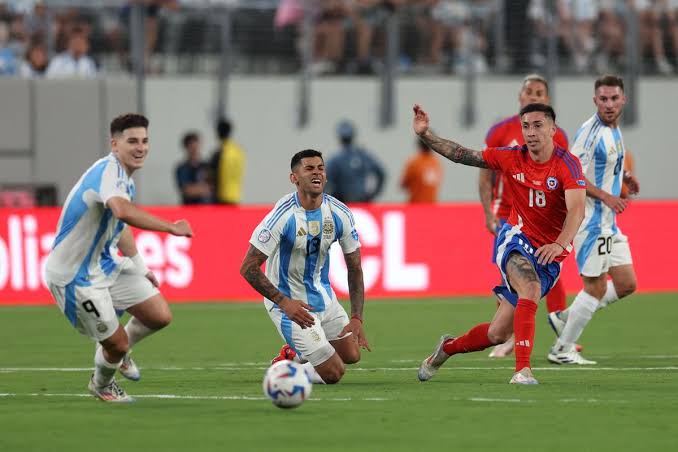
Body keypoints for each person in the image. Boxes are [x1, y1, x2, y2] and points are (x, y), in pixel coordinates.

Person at [413, 103, 586, 384]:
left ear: (553, 129)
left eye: (538, 125)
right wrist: (426, 135)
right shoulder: (511, 157)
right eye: (526, 126)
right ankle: (523, 370)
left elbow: (577, 209)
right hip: (515, 238)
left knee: (497, 334)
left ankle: (446, 349)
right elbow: (461, 155)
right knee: (529, 287)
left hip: (549, 254)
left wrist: (559, 243)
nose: (530, 132)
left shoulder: (567, 164)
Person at [44, 113, 193, 402]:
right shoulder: (108, 172)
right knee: (117, 344)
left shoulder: (124, 178)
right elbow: (123, 211)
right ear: (115, 145)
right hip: (74, 277)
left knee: (159, 315)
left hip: (104, 264)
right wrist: (171, 227)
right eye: (132, 141)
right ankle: (102, 384)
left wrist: (141, 266)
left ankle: (118, 352)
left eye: (145, 141)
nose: (141, 147)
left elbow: (119, 224)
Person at [240, 149, 371, 384]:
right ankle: (284, 371)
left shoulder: (339, 213)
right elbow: (248, 267)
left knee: (352, 354)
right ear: (294, 178)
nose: (316, 173)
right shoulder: (282, 216)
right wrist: (283, 303)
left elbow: (355, 267)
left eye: (320, 168)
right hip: (289, 304)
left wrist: (356, 317)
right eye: (309, 168)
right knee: (334, 373)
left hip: (324, 298)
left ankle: (293, 355)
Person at [547, 74, 640, 365]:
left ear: (623, 99)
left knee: (626, 283)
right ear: (595, 100)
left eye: (614, 98)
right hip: (589, 221)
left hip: (609, 222)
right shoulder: (591, 132)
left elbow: (606, 163)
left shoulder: (614, 129)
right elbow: (570, 172)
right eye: (603, 99)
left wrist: (624, 177)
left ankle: (566, 316)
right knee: (596, 286)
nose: (609, 104)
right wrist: (607, 196)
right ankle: (562, 350)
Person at [479, 74, 570, 358]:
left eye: (539, 92)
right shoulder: (500, 131)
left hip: (542, 217)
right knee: (511, 274)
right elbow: (484, 175)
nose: (533, 96)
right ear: (520, 97)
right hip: (507, 215)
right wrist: (487, 211)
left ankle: (563, 336)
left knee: (548, 270)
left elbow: (566, 177)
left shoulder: (559, 136)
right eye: (529, 91)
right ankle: (508, 334)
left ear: (547, 100)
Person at [325, 120, 386, 203]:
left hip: (343, 203)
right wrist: (373, 194)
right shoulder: (364, 156)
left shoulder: (335, 159)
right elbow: (381, 173)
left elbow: (325, 180)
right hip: (363, 202)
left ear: (340, 138)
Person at [209, 118, 245, 205]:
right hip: (235, 196)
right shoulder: (239, 151)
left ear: (217, 133)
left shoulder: (219, 153)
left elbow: (211, 177)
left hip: (221, 199)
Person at [400, 137, 443, 203]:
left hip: (416, 205)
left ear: (419, 145)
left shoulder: (414, 162)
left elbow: (403, 184)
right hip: (432, 206)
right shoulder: (436, 163)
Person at [175, 131, 212, 205]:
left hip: (207, 209)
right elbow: (186, 190)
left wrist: (196, 189)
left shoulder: (207, 166)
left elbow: (211, 188)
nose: (195, 150)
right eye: (192, 147)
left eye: (196, 146)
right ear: (186, 147)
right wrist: (202, 189)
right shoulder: (182, 168)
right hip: (189, 209)